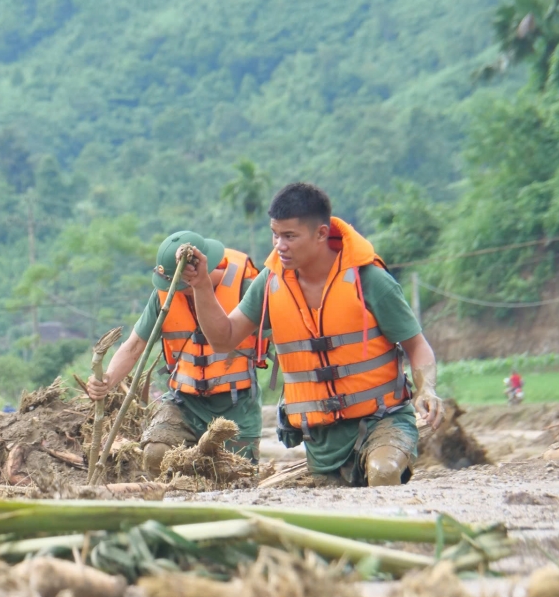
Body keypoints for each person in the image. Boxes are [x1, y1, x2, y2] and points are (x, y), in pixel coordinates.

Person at [182, 183, 442, 486]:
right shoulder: (270, 282)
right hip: (321, 439)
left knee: (384, 473)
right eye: (275, 234)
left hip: (382, 420)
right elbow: (223, 338)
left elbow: (417, 345)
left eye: (290, 236)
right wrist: (201, 285)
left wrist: (427, 389)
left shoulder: (369, 279)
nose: (280, 245)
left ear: (320, 234)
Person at [87, 232, 266, 476]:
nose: (174, 291)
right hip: (185, 403)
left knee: (237, 476)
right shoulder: (164, 297)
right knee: (156, 455)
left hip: (236, 405)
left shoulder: (246, 289)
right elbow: (135, 344)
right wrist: (107, 381)